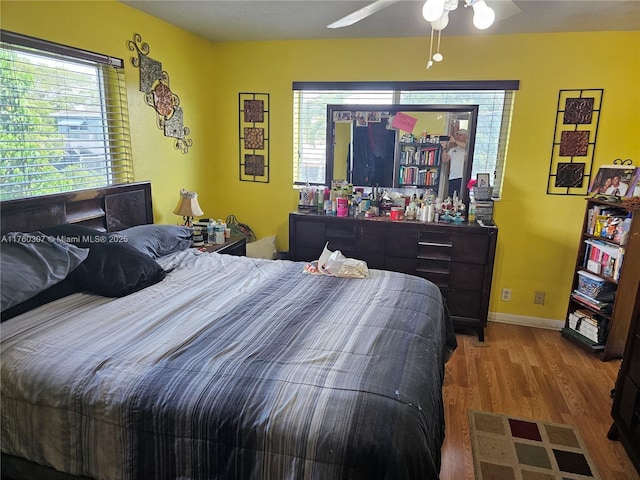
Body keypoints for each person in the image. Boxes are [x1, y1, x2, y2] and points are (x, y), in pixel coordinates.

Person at [442, 129, 467, 198]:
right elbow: (445, 159)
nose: (458, 136)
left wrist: (454, 141)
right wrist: (444, 148)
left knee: (462, 198)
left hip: (463, 178)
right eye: (457, 135)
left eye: (460, 135)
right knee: (450, 198)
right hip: (452, 177)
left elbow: (466, 146)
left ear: (466, 136)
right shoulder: (453, 149)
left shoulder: (467, 148)